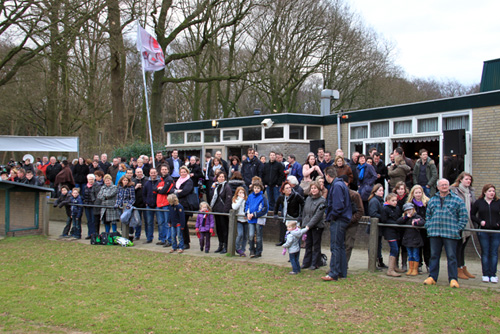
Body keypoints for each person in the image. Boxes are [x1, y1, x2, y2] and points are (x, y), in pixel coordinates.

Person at [424, 178, 468, 288]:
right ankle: (432, 277)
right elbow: (428, 216)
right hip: (435, 233)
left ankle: (453, 279)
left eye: (446, 185)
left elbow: (463, 216)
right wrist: (429, 226)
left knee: (452, 257)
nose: (444, 187)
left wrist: (458, 228)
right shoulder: (432, 200)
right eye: (442, 185)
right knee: (434, 256)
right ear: (438, 187)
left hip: (450, 233)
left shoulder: (457, 200)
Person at [322, 167, 352, 282]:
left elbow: (338, 205)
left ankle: (333, 272)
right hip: (342, 218)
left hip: (339, 219)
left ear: (327, 175)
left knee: (335, 246)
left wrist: (331, 216)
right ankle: (341, 272)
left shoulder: (337, 186)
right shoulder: (340, 184)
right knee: (340, 246)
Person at [470, 184, 500, 283]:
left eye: (493, 191)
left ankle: (493, 274)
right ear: (485, 192)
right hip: (483, 231)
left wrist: (498, 223)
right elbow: (472, 214)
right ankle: (485, 274)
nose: (492, 193)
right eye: (490, 191)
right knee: (485, 252)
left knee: (494, 253)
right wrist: (480, 222)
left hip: (495, 231)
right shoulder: (479, 203)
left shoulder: (498, 202)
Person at [449, 172, 476, 280]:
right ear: (460, 180)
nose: (468, 181)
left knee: (463, 247)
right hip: (458, 223)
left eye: (470, 180)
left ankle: (463, 267)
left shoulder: (471, 192)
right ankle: (458, 268)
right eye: (466, 179)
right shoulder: (454, 191)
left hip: (468, 221)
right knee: (458, 247)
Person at [300, 181, 326, 270]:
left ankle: (315, 263)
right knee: (308, 244)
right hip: (307, 225)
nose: (313, 190)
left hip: (317, 226)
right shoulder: (308, 199)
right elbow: (304, 212)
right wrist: (304, 224)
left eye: (315, 188)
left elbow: (318, 215)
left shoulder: (322, 200)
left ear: (319, 189)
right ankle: (306, 262)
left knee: (316, 245)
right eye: (312, 188)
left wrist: (309, 225)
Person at [407, 185, 431, 273]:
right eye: (416, 193)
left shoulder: (427, 202)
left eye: (419, 192)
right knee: (418, 247)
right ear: (413, 194)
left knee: (427, 248)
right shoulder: (410, 204)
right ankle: (419, 265)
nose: (418, 194)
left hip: (425, 228)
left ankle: (428, 264)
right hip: (416, 230)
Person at [397, 203, 425, 276]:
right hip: (407, 239)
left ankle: (415, 269)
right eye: (407, 210)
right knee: (410, 255)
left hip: (416, 240)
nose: (409, 211)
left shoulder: (417, 217)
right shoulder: (405, 218)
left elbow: (423, 222)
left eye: (410, 210)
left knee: (415, 254)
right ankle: (410, 268)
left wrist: (416, 222)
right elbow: (399, 221)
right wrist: (406, 217)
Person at [274, 181, 304, 246]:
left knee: (295, 232)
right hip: (287, 216)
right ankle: (283, 241)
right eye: (287, 188)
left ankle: (296, 245)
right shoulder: (281, 197)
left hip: (295, 216)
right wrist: (275, 214)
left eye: (289, 188)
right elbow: (277, 205)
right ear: (283, 190)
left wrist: (301, 215)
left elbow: (303, 203)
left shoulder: (296, 195)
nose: (289, 189)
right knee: (287, 230)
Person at [381, 193, 404, 277]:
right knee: (394, 248)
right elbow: (384, 220)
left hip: (396, 231)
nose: (395, 202)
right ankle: (390, 270)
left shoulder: (397, 208)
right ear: (388, 201)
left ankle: (394, 267)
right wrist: (396, 223)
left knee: (395, 249)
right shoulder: (385, 209)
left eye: (396, 200)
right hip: (389, 231)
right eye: (393, 201)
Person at [210, 171, 233, 254]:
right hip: (216, 210)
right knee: (219, 229)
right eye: (219, 177)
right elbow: (212, 197)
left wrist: (225, 211)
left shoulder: (227, 187)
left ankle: (226, 246)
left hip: (223, 212)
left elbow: (228, 200)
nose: (221, 178)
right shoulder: (216, 186)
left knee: (224, 229)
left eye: (223, 177)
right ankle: (220, 244)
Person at [245, 180, 269, 258]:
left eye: (258, 188)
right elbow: (247, 205)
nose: (256, 190)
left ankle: (259, 251)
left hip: (259, 219)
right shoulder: (250, 196)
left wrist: (255, 214)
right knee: (251, 235)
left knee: (258, 236)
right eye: (255, 188)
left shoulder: (262, 197)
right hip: (250, 218)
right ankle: (252, 250)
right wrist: (247, 213)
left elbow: (264, 208)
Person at [174, 165, 196, 249]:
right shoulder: (178, 181)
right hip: (178, 204)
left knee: (183, 223)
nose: (183, 173)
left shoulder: (189, 181)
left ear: (187, 172)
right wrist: (177, 191)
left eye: (184, 172)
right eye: (181, 172)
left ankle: (186, 242)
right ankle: (181, 241)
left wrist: (177, 193)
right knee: (180, 223)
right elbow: (173, 189)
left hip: (186, 205)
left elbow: (185, 191)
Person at [345, 175, 364, 266]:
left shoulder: (354, 195)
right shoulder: (338, 194)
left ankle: (344, 264)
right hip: (341, 222)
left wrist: (350, 220)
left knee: (348, 244)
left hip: (351, 223)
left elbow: (360, 211)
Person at [154, 164, 175, 246]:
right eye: (162, 169)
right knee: (160, 223)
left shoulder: (169, 179)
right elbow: (154, 189)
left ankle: (168, 240)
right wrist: (159, 189)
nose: (164, 171)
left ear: (168, 170)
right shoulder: (159, 179)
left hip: (166, 203)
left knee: (167, 223)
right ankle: (162, 239)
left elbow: (164, 191)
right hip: (159, 203)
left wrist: (159, 189)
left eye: (165, 169)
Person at [368, 183, 387, 269]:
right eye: (379, 190)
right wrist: (383, 217)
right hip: (374, 227)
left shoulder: (380, 201)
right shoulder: (374, 201)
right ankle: (373, 262)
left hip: (379, 227)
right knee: (374, 245)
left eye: (382, 190)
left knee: (379, 245)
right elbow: (373, 213)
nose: (381, 192)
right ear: (375, 191)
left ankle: (379, 261)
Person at [143, 168, 160, 243]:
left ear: (157, 173)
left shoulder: (159, 182)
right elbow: (144, 194)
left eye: (154, 173)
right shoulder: (147, 183)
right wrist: (146, 201)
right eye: (152, 173)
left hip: (158, 204)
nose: (153, 174)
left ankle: (162, 238)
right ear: (149, 173)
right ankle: (149, 238)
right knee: (149, 222)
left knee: (160, 222)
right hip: (149, 205)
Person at [83, 174, 101, 239]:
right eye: (89, 179)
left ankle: (94, 234)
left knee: (94, 220)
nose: (91, 181)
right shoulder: (85, 187)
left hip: (94, 205)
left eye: (92, 179)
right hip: (87, 205)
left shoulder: (97, 186)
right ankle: (89, 233)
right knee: (89, 220)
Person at [131, 168, 147, 240]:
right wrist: (135, 187)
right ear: (135, 173)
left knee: (147, 221)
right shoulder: (133, 181)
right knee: (137, 221)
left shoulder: (146, 180)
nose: (139, 173)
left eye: (140, 172)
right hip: (137, 204)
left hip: (145, 204)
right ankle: (137, 235)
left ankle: (148, 236)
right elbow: (131, 192)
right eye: (138, 172)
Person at [232, 187, 248, 257]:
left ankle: (243, 249)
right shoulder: (236, 200)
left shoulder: (247, 200)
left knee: (245, 236)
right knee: (240, 234)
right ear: (237, 193)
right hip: (239, 220)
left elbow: (249, 207)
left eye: (243, 192)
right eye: (240, 192)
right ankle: (237, 247)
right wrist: (241, 199)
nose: (242, 194)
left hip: (246, 220)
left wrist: (247, 214)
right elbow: (234, 207)